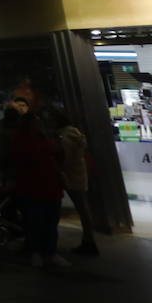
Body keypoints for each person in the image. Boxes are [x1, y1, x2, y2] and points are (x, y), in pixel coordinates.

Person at [14, 108, 68, 268]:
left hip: (46, 185)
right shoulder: (25, 140)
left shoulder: (43, 138)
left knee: (47, 221)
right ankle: (40, 252)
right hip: (34, 186)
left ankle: (47, 252)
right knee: (38, 221)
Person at [49, 108, 98, 257]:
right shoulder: (74, 133)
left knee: (81, 207)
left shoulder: (66, 135)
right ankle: (89, 240)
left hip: (71, 174)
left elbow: (66, 157)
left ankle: (89, 241)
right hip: (78, 173)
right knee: (83, 207)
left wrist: (60, 170)